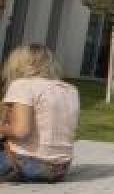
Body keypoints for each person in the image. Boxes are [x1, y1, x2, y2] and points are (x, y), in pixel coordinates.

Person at [1, 44, 80, 183]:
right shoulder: (70, 89)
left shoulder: (22, 85)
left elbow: (20, 131)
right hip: (60, 169)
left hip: (27, 165)